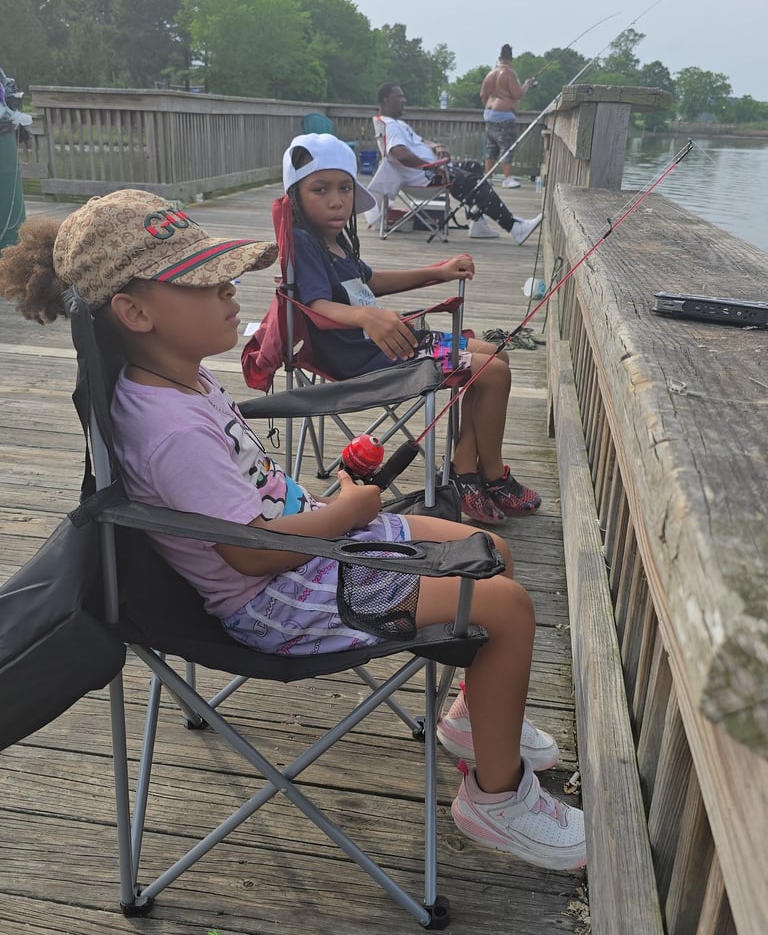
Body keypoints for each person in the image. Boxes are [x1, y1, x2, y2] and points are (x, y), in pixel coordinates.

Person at [0, 189, 585, 873]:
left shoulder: (178, 380)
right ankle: (494, 799)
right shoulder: (168, 430)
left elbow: (253, 502)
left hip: (310, 547)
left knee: (492, 553)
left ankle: (470, 717)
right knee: (505, 605)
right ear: (134, 311)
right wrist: (348, 512)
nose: (230, 293)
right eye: (204, 284)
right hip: (279, 594)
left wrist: (335, 501)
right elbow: (250, 555)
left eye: (225, 276)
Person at [284, 132, 542, 523]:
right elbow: (315, 304)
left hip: (388, 342)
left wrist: (436, 273)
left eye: (345, 188)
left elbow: (370, 283)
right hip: (362, 360)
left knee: (498, 357)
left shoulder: (336, 240)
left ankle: (465, 469)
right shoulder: (304, 241)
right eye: (320, 189)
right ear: (297, 196)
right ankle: (488, 475)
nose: (336, 200)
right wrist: (367, 317)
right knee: (492, 372)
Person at [368, 83, 541, 243]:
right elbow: (401, 155)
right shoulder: (390, 125)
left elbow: (421, 141)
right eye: (399, 97)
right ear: (386, 100)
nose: (404, 100)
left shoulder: (399, 124)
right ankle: (514, 227)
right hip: (426, 177)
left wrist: (436, 146)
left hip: (433, 171)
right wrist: (434, 167)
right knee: (474, 184)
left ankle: (477, 223)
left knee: (473, 166)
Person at [481, 44, 535, 189]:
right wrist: (527, 84)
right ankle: (507, 179)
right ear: (510, 58)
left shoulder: (490, 74)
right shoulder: (509, 74)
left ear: (499, 58)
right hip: (504, 115)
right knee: (507, 146)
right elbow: (517, 94)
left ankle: (488, 177)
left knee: (491, 147)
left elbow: (483, 95)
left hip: (489, 114)